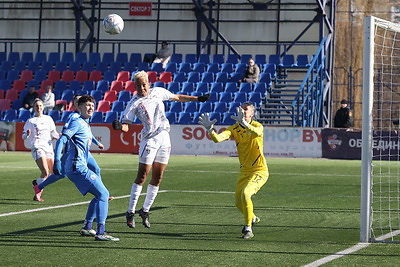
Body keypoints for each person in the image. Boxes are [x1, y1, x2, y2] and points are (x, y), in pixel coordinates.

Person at [112, 70, 210, 229]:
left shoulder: (158, 92)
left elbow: (177, 97)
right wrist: (119, 127)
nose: (142, 88)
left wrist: (198, 98)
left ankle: (145, 210)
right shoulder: (134, 103)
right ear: (135, 87)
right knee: (142, 176)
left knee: (158, 177)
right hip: (149, 140)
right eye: (138, 86)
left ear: (148, 84)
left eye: (144, 85)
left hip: (164, 137)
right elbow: (126, 126)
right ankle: (130, 212)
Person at [198, 102, 269, 239]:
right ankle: (253, 218)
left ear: (252, 113)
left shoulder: (257, 126)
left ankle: (248, 228)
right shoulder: (234, 129)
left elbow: (257, 132)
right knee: (238, 202)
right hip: (244, 172)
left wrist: (245, 124)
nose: (243, 111)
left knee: (246, 194)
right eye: (241, 109)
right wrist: (210, 130)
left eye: (246, 110)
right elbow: (218, 139)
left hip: (259, 170)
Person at [52, 95, 119, 241]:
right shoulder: (77, 122)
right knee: (103, 194)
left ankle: (88, 227)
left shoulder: (85, 124)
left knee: (100, 195)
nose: (90, 108)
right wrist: (57, 160)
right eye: (87, 105)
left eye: (92, 106)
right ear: (79, 107)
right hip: (77, 167)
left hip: (78, 167)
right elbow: (62, 139)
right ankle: (101, 232)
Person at [33, 94, 107, 202]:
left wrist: (97, 142)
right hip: (71, 151)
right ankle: (39, 187)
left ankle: (101, 192)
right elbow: (66, 133)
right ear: (77, 105)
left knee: (96, 169)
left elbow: (88, 134)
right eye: (77, 102)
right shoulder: (74, 117)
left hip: (84, 151)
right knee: (61, 174)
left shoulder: (84, 118)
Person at [22, 98, 59, 201]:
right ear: (33, 108)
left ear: (43, 107)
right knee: (45, 172)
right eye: (36, 106)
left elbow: (54, 133)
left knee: (52, 174)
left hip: (48, 147)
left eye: (40, 106)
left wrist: (60, 136)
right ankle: (37, 188)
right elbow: (23, 136)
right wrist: (27, 134)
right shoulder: (30, 121)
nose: (39, 108)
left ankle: (37, 185)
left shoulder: (49, 119)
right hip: (37, 147)